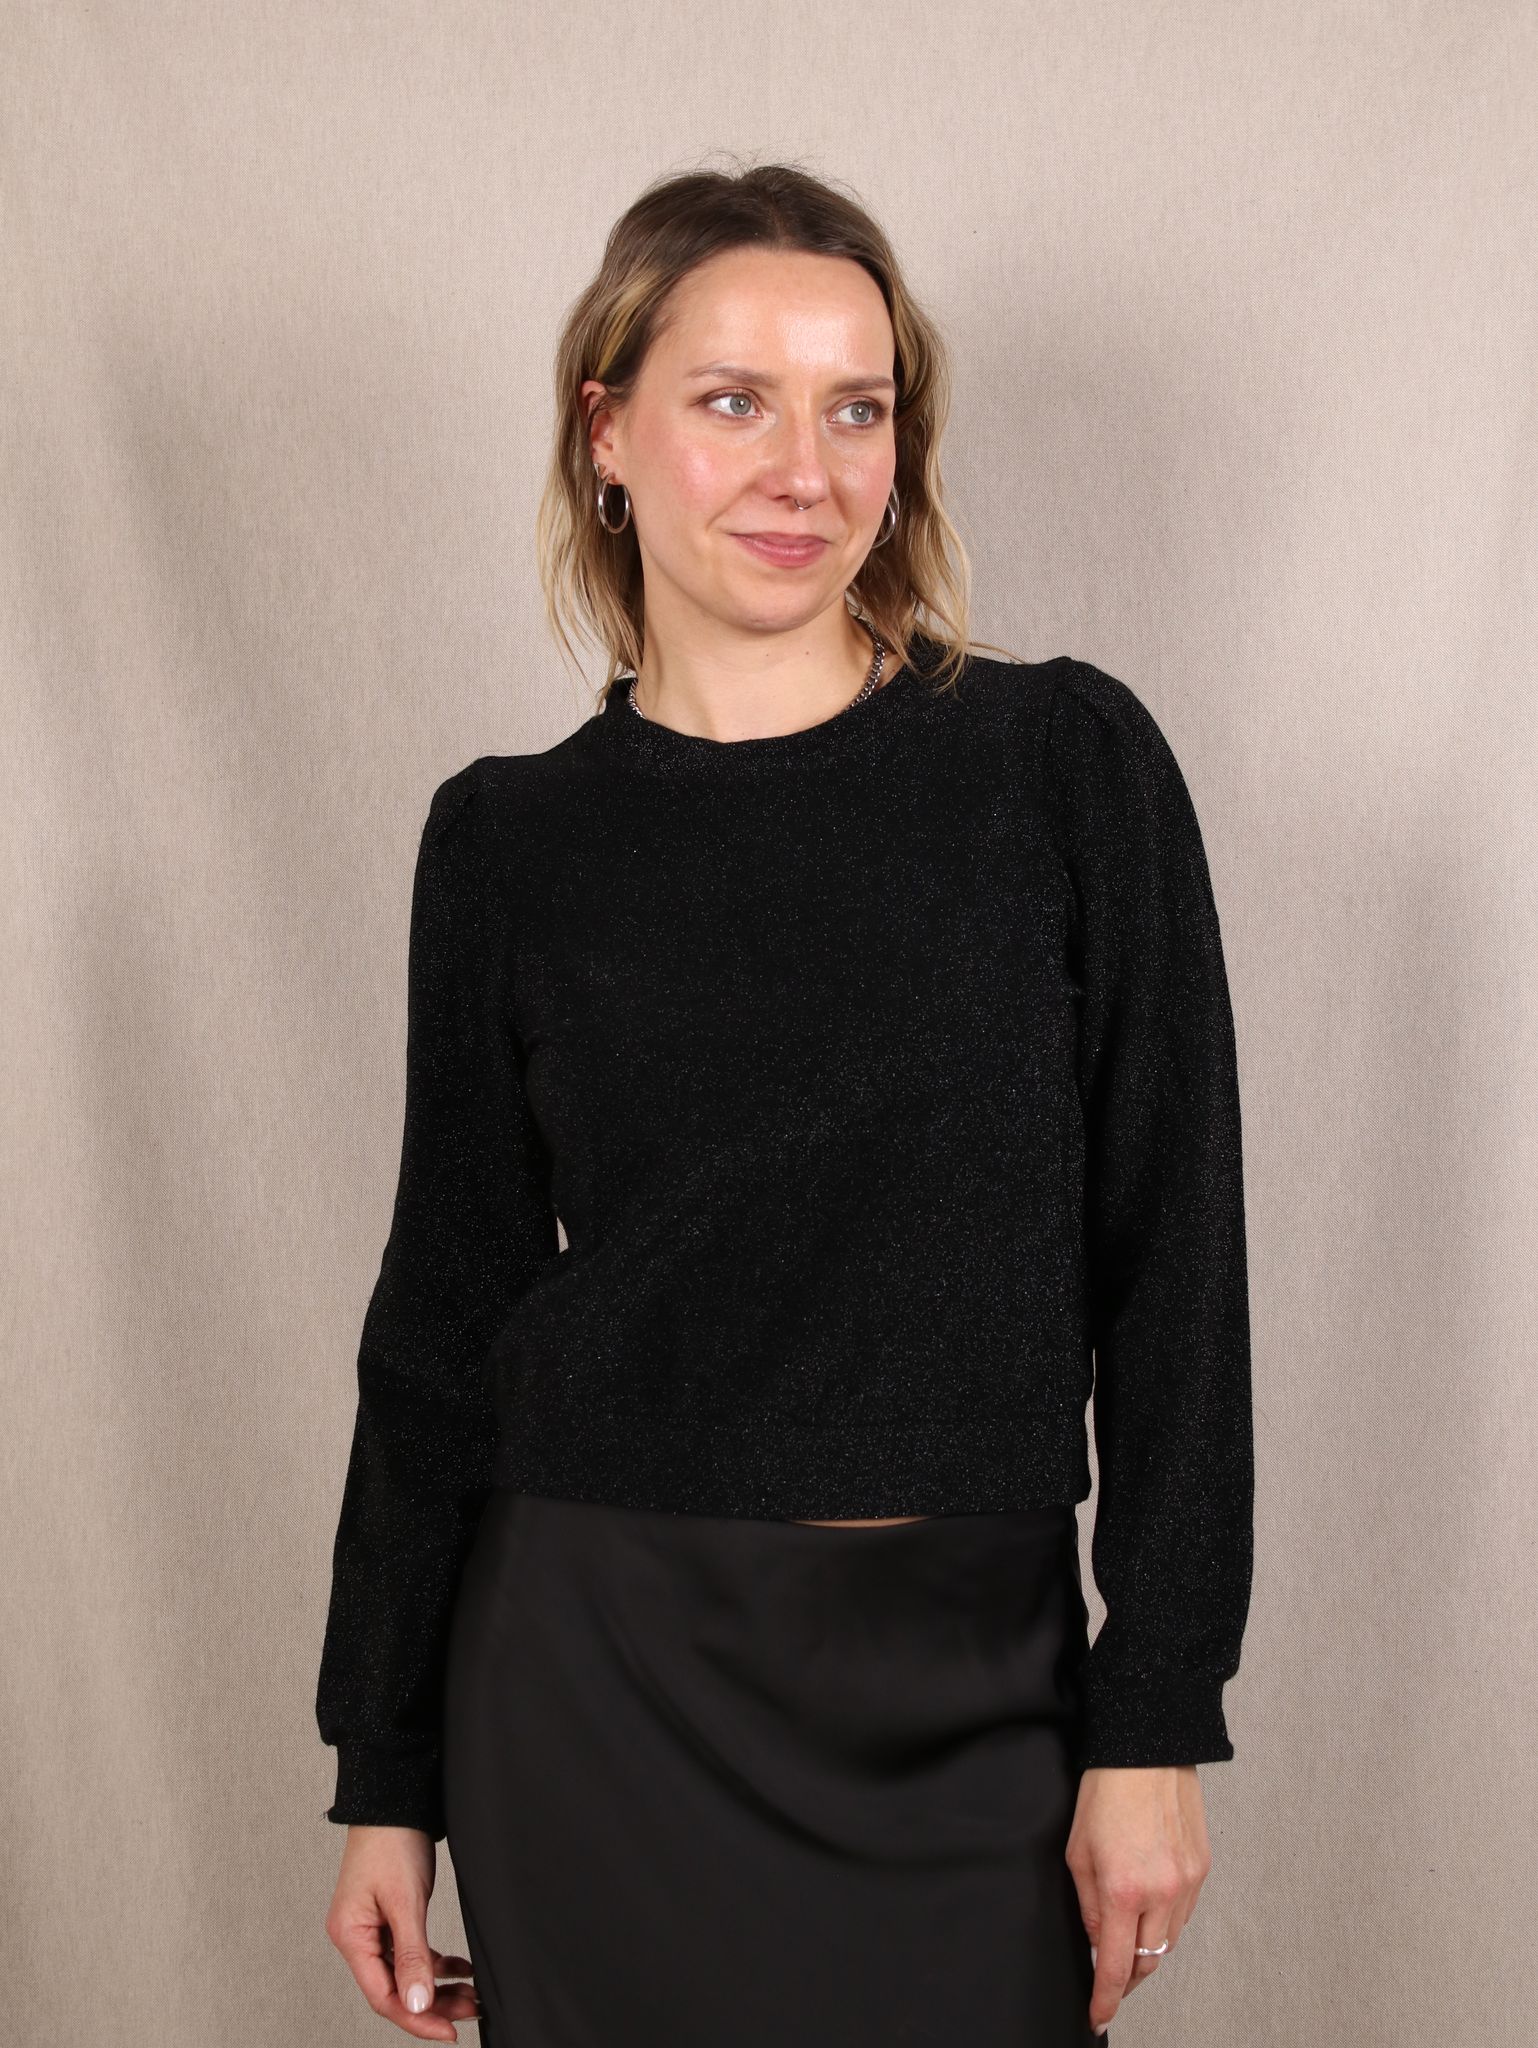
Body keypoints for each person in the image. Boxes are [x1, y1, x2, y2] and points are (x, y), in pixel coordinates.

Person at [315, 159, 1253, 2047]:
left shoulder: (1060, 765)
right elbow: (444, 1315)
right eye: (733, 401)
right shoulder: (508, 841)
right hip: (597, 1686)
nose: (802, 471)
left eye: (855, 409)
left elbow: (1175, 1266)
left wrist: (1153, 1711)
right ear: (607, 431)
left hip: (973, 1685)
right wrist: (385, 1770)